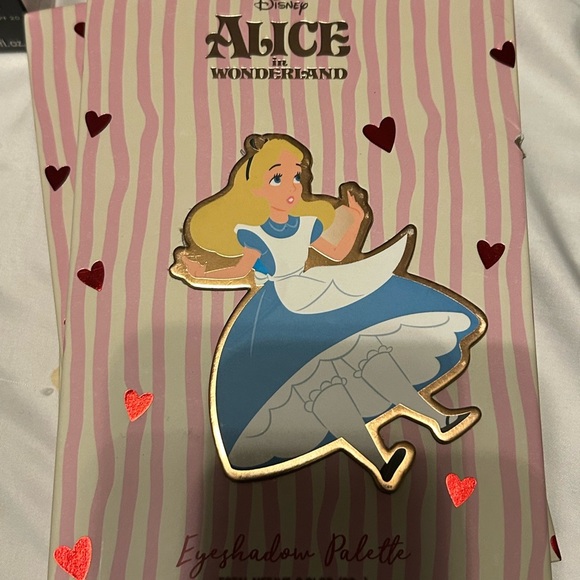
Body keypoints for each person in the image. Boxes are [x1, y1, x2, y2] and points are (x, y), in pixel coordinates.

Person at [171, 133, 486, 490]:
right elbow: (238, 269)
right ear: (255, 189)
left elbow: (336, 252)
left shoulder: (304, 224)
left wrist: (356, 218)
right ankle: (380, 461)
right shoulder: (254, 234)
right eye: (277, 178)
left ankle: (438, 419)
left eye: (296, 176)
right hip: (281, 312)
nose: (292, 185)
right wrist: (199, 271)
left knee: (372, 360)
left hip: (320, 293)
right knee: (319, 391)